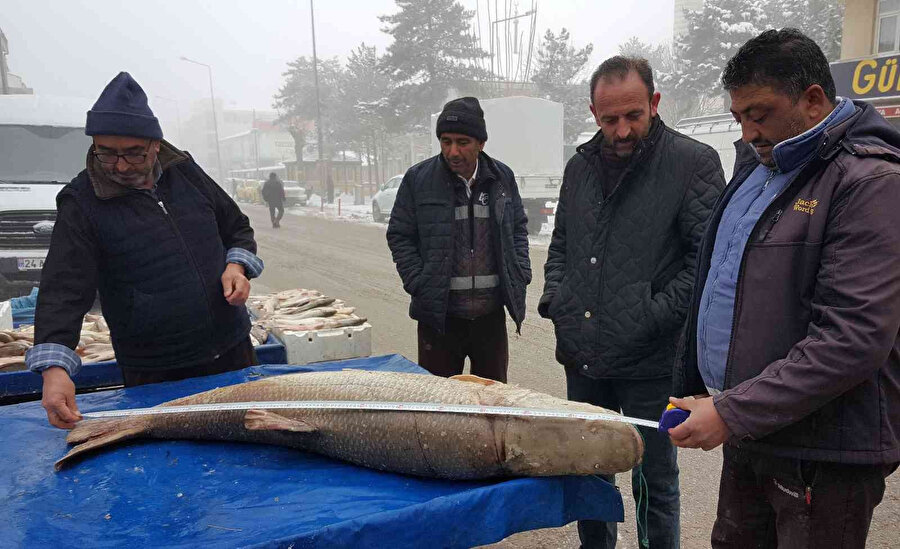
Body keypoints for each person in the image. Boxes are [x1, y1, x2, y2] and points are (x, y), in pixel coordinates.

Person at [669, 29, 900, 548]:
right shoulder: (763, 170)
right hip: (758, 429)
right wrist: (716, 392)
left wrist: (731, 411)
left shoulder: (867, 182)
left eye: (761, 113)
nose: (749, 131)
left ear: (813, 98)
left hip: (824, 452)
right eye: (739, 118)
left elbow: (854, 337)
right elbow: (731, 287)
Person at [538, 56, 725, 549]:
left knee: (654, 482)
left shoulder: (693, 163)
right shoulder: (580, 166)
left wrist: (650, 316)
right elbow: (560, 246)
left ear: (654, 103)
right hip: (584, 355)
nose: (621, 130)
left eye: (632, 116)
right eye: (609, 119)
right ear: (594, 113)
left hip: (653, 361)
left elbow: (705, 263)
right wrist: (557, 297)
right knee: (590, 473)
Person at [25, 72, 264, 429]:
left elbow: (236, 226)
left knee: (253, 442)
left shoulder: (185, 172)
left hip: (232, 348)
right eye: (106, 153)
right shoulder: (82, 203)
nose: (120, 166)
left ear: (155, 144)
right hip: (156, 368)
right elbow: (64, 288)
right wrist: (55, 368)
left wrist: (236, 266)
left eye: (133, 154)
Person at [387, 97, 530, 383]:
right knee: (440, 405)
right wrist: (419, 282)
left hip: (490, 318)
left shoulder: (502, 177)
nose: (453, 151)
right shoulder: (418, 180)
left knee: (491, 403)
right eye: (445, 141)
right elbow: (400, 235)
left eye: (462, 142)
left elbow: (517, 228)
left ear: (481, 143)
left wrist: (521, 272)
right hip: (439, 318)